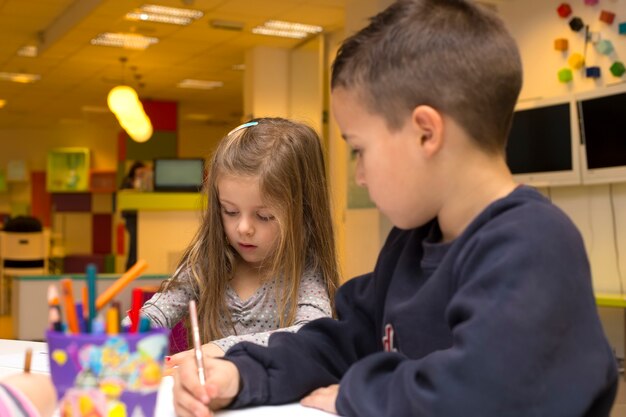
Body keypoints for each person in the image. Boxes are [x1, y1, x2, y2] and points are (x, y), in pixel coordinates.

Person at [171, 1, 619, 416]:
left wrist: (357, 394)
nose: (359, 175)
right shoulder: (409, 244)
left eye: (359, 150)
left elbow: (482, 389)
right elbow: (339, 342)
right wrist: (243, 372)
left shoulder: (533, 244)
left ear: (426, 133)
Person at [128, 117, 340, 362]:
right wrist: (126, 333)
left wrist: (222, 348)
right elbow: (156, 312)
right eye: (230, 211)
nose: (244, 228)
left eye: (264, 216)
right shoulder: (207, 262)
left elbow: (312, 335)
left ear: (301, 212)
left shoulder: (304, 271)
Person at [120, 161, 146, 270]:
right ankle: (130, 266)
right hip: (131, 217)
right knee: (133, 243)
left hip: (140, 217)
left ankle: (133, 266)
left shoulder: (145, 181)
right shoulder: (127, 182)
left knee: (136, 243)